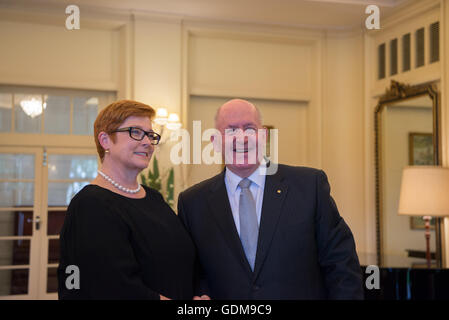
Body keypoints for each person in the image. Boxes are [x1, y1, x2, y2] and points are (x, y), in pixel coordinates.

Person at [177, 98, 364, 299]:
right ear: (215, 142)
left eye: (249, 128)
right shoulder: (193, 203)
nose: (242, 138)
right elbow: (190, 273)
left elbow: (341, 264)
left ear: (263, 136)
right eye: (231, 130)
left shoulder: (309, 186)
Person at [58, 100, 196, 300]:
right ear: (105, 140)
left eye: (150, 134)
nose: (147, 142)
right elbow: (109, 286)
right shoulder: (90, 204)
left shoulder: (154, 198)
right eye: (136, 132)